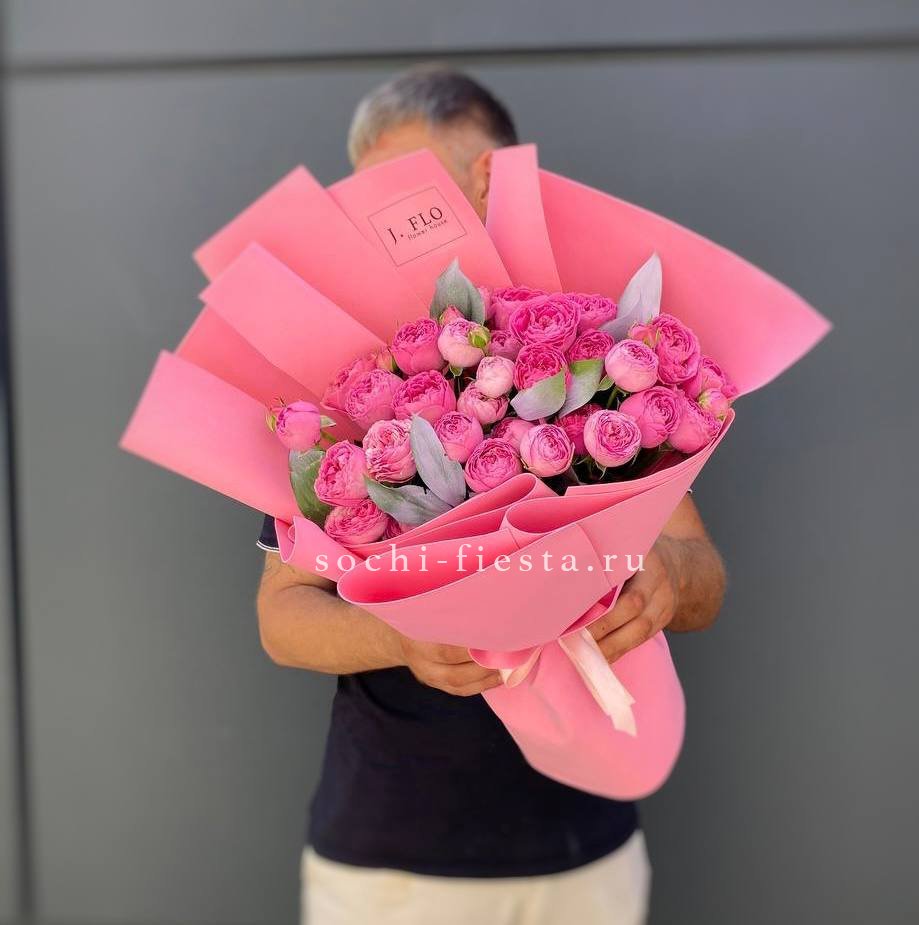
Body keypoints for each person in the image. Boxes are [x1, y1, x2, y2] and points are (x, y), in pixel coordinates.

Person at [256, 65, 727, 925]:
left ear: (488, 175)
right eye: (364, 207)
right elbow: (281, 617)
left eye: (406, 192)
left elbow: (703, 575)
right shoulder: (340, 382)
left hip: (582, 852)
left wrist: (661, 575)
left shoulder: (590, 349)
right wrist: (402, 635)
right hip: (392, 864)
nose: (385, 226)